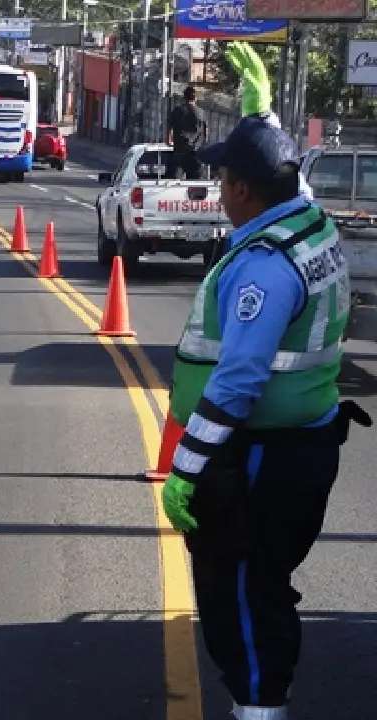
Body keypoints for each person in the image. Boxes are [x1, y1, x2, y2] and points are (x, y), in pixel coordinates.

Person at [161, 115, 370, 720]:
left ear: (245, 191)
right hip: (304, 443)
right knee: (265, 583)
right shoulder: (311, 225)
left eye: (222, 179)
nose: (218, 192)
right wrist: (262, 117)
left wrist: (186, 467)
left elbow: (240, 377)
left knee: (242, 591)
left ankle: (259, 707)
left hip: (261, 456)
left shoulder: (263, 265)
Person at [166, 86, 207, 179]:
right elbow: (205, 130)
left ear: (184, 97)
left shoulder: (177, 110)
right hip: (195, 152)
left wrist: (168, 140)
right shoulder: (201, 112)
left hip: (180, 151)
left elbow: (169, 125)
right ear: (195, 98)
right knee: (194, 182)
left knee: (173, 181)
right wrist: (203, 144)